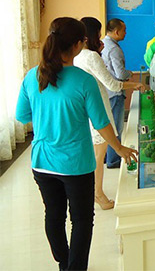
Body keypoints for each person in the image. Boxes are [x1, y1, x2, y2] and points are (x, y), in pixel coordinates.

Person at [15, 17, 137, 270]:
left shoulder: (32, 76)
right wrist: (119, 148)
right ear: (78, 44)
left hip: (42, 162)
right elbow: (101, 123)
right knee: (81, 220)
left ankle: (64, 263)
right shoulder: (83, 80)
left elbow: (22, 116)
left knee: (54, 215)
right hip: (75, 165)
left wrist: (48, 115)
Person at [75, 17, 143, 209]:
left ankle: (93, 191)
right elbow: (112, 84)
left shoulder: (77, 55)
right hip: (98, 107)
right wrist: (134, 84)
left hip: (86, 108)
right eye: (98, 34)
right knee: (99, 155)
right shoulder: (91, 56)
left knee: (95, 154)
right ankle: (98, 194)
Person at [102, 18, 133, 169]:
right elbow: (120, 74)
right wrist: (129, 73)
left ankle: (107, 156)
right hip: (115, 92)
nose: (126, 33)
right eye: (124, 30)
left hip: (106, 92)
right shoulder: (114, 49)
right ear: (116, 32)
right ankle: (113, 160)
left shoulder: (103, 44)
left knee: (108, 126)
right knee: (116, 128)